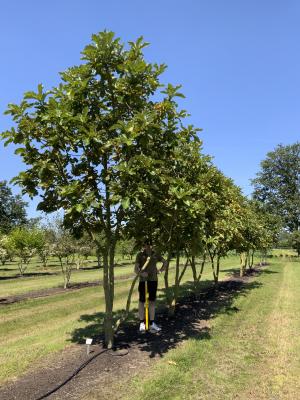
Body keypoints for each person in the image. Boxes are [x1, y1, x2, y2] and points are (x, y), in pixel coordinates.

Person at [135, 240, 167, 333]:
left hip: (153, 281)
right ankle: (142, 323)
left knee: (152, 302)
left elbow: (165, 262)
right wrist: (141, 274)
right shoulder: (140, 255)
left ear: (152, 245)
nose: (148, 246)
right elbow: (135, 269)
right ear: (144, 245)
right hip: (143, 281)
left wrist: (160, 271)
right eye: (146, 244)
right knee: (142, 302)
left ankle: (152, 323)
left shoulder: (156, 254)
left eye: (149, 244)